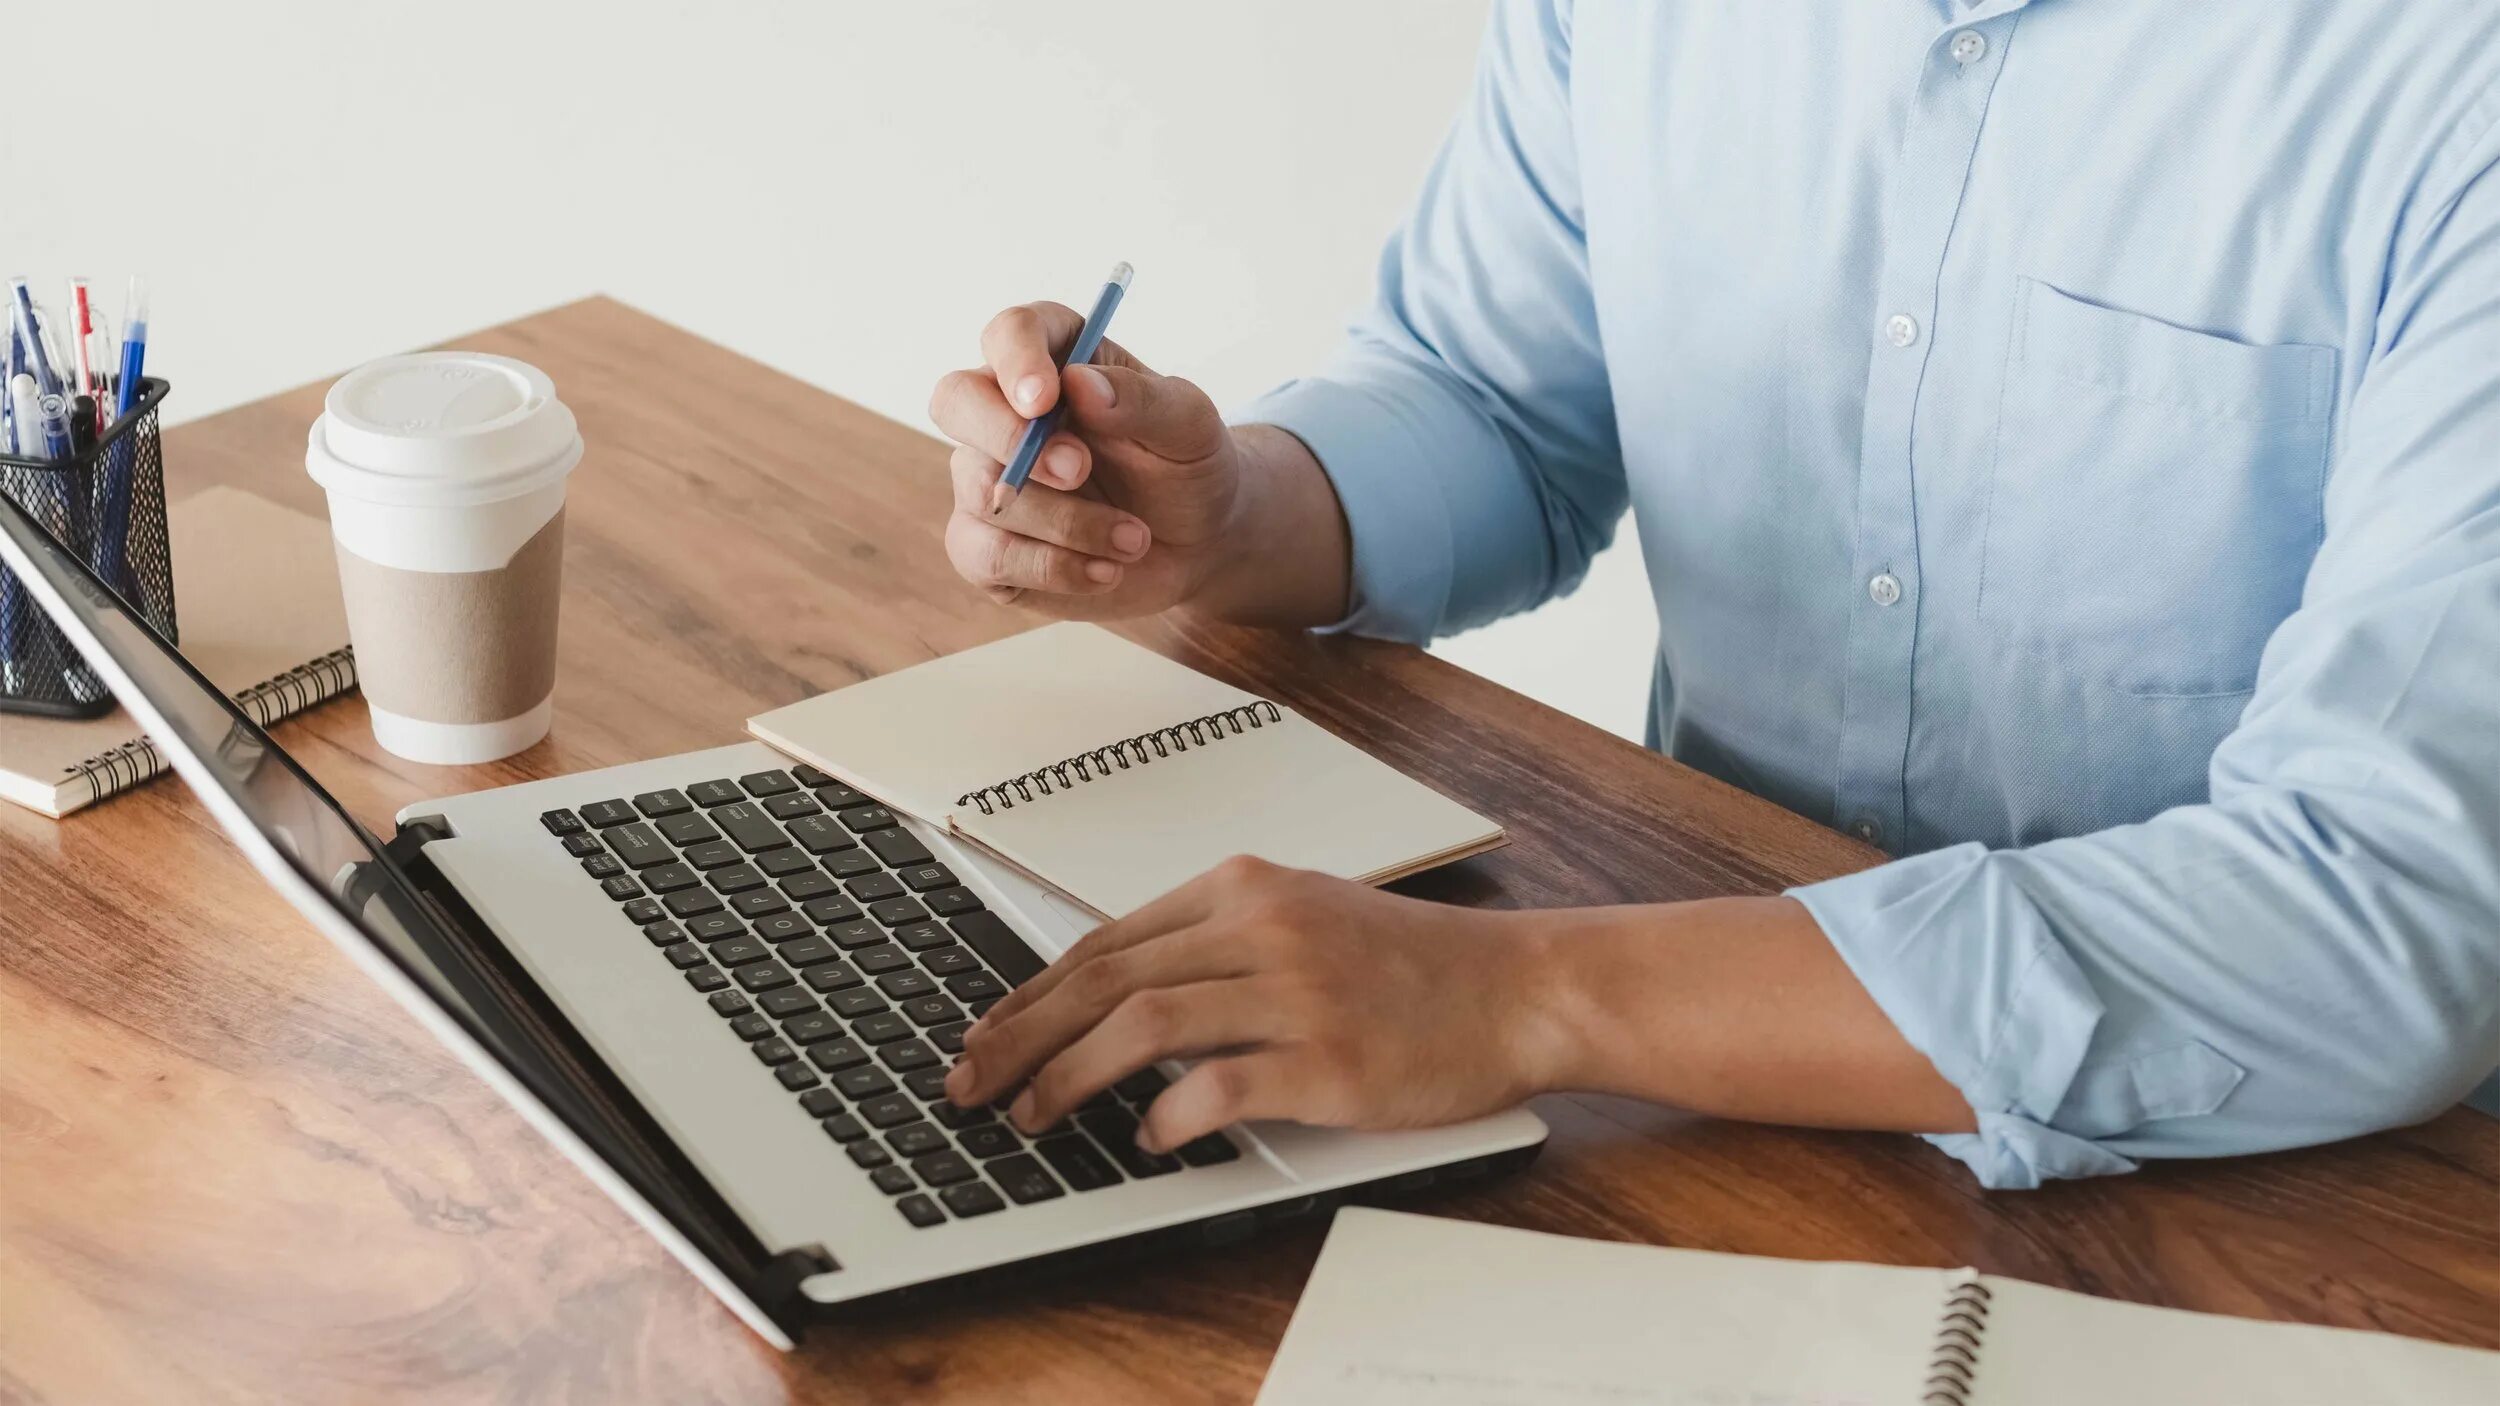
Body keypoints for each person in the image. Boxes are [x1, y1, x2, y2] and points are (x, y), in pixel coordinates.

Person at [928, 1, 2500, 1189]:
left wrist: (1520, 997)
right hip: (1692, 1088)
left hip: (2306, 1178)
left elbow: (2387, 906)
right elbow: (1495, 397)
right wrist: (1225, 514)